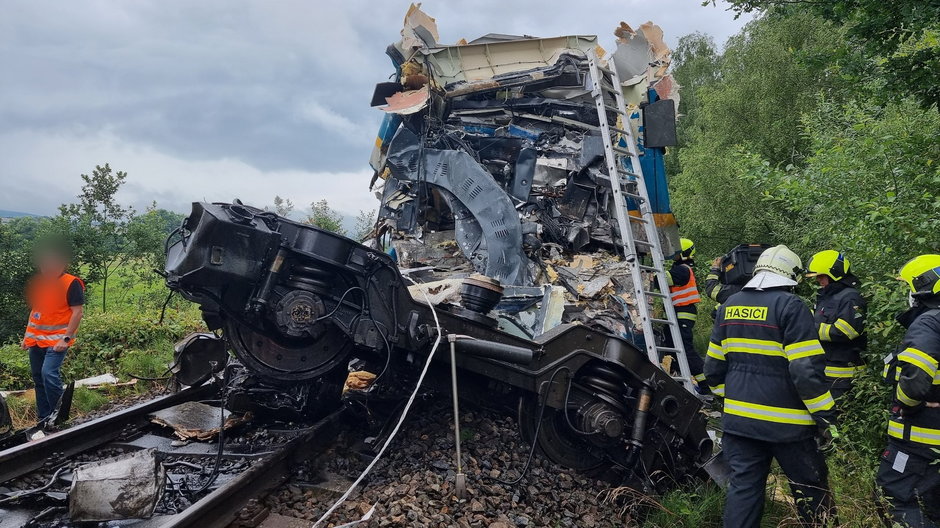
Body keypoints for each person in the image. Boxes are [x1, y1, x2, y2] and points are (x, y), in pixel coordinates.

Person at [704, 245, 838, 528]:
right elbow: (805, 371)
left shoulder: (729, 307)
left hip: (739, 425)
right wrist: (825, 416)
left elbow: (712, 370)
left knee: (744, 491)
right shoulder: (791, 306)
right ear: (791, 276)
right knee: (810, 489)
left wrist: (736, 399)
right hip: (788, 426)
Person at [877, 254, 940, 527]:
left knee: (894, 494)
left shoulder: (929, 322)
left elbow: (914, 380)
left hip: (920, 439)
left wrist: (908, 405)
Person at [21, 243, 84, 426]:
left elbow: (77, 312)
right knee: (38, 378)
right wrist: (27, 336)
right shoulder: (40, 283)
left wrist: (66, 338)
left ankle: (60, 416)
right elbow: (36, 312)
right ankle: (44, 417)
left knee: (49, 374)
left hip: (58, 340)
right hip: (36, 342)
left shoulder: (71, 283)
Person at [805, 250, 867, 402]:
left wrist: (809, 329)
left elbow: (846, 331)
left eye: (821, 275)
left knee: (838, 420)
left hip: (844, 376)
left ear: (834, 273)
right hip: (825, 372)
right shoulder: (825, 296)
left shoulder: (851, 297)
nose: (818, 280)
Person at [666, 238, 706, 388]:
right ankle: (678, 378)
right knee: (671, 345)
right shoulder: (680, 268)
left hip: (683, 312)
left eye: (676, 252)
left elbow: (662, 279)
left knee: (684, 348)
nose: (673, 255)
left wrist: (646, 273)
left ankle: (706, 383)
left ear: (684, 253)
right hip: (678, 313)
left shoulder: (683, 270)